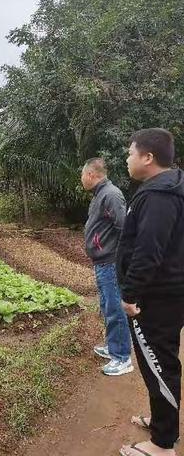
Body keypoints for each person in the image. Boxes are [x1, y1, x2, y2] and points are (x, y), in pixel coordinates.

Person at [118, 128, 184, 456]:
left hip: (155, 300)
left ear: (148, 157)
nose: (127, 158)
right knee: (160, 363)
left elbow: (148, 252)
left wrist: (129, 296)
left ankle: (162, 445)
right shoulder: (170, 188)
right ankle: (162, 422)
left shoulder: (158, 196)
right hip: (169, 294)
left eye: (131, 153)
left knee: (159, 365)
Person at [81, 157, 133, 376]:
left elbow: (124, 228)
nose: (81, 179)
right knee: (107, 306)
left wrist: (119, 259)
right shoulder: (100, 194)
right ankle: (113, 346)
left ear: (91, 174)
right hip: (102, 262)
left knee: (114, 309)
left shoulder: (110, 194)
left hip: (111, 262)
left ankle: (122, 358)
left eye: (82, 175)